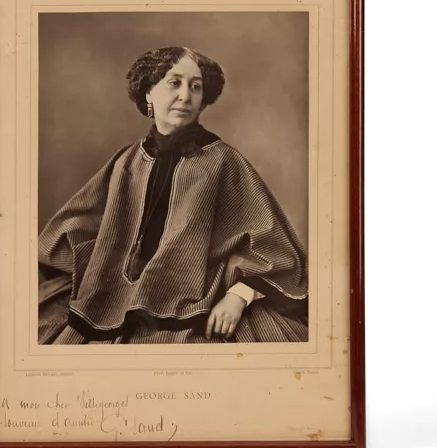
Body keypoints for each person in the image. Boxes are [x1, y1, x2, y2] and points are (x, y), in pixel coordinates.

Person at [38, 46, 308, 344]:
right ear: (148, 93)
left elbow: (273, 247)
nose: (185, 96)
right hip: (116, 301)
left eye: (195, 86)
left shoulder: (223, 161)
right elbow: (74, 231)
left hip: (199, 303)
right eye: (174, 82)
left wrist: (238, 296)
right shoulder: (127, 162)